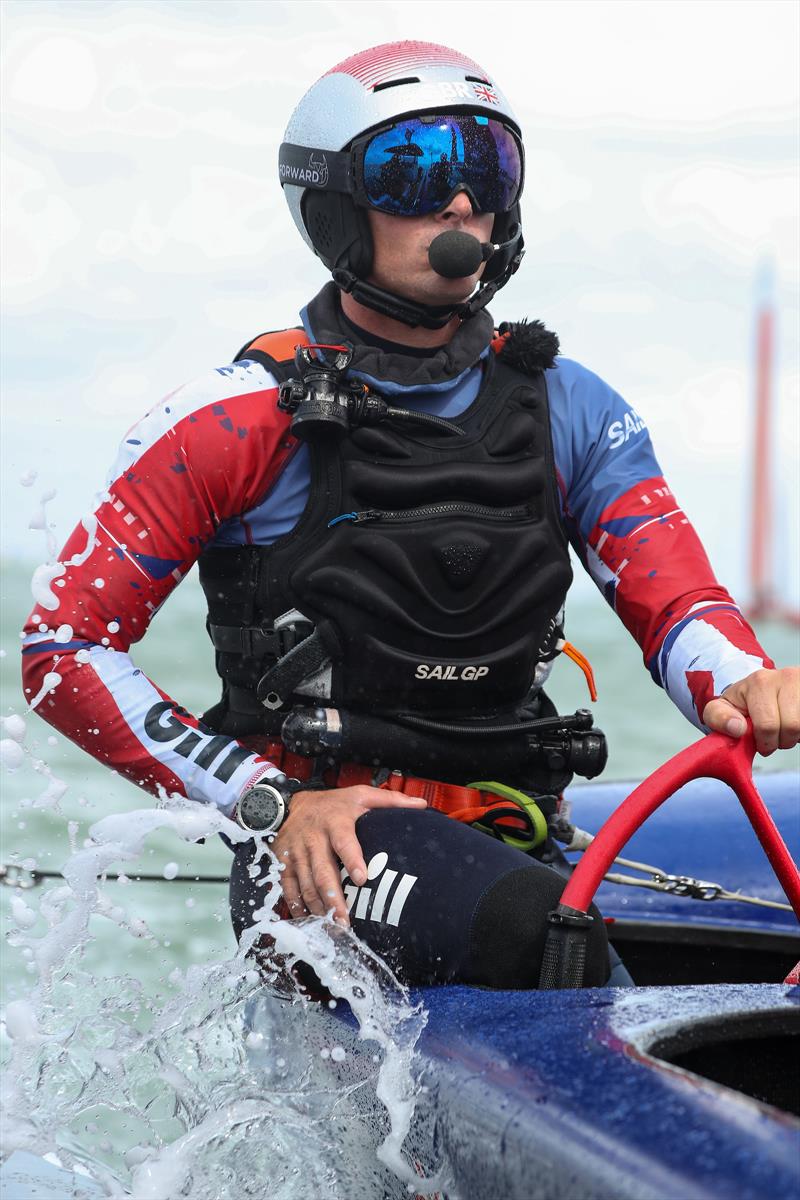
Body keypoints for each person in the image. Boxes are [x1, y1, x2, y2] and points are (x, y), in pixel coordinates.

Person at [22, 41, 799, 992]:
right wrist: (266, 802)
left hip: (514, 822)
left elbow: (680, 606)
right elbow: (63, 649)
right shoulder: (226, 422)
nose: (463, 202)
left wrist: (746, 680)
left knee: (579, 925)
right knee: (541, 939)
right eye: (418, 169)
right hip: (315, 853)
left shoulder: (572, 405)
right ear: (338, 207)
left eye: (488, 168)